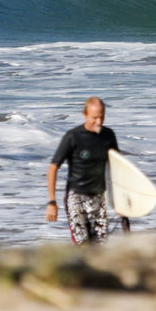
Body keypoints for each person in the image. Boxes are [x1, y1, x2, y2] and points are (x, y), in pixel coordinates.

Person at [46, 96, 119, 244]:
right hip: (76, 197)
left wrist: (120, 200)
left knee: (100, 246)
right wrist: (52, 202)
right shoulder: (73, 137)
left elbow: (117, 167)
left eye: (102, 117)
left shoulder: (108, 136)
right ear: (84, 114)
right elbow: (53, 168)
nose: (99, 122)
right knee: (83, 244)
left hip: (99, 198)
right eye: (94, 118)